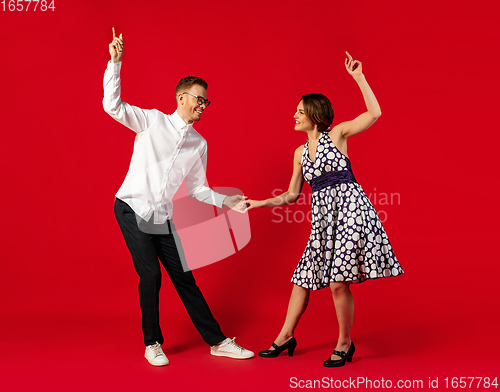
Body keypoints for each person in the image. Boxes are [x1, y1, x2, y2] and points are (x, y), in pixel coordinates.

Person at [103, 28, 253, 366]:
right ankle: (152, 343)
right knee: (151, 275)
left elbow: (198, 189)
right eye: (198, 98)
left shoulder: (199, 144)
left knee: (185, 278)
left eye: (206, 101)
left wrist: (226, 201)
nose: (203, 105)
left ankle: (217, 341)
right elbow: (112, 106)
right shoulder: (152, 121)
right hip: (131, 207)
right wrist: (116, 63)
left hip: (161, 217)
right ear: (181, 98)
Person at [245, 52, 404, 367]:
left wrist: (358, 77)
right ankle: (286, 336)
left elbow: (374, 112)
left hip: (352, 213)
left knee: (336, 282)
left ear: (314, 115)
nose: (294, 115)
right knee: (303, 278)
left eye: (299, 111)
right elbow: (292, 195)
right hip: (324, 221)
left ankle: (345, 343)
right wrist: (261, 202)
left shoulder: (338, 134)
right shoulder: (299, 153)